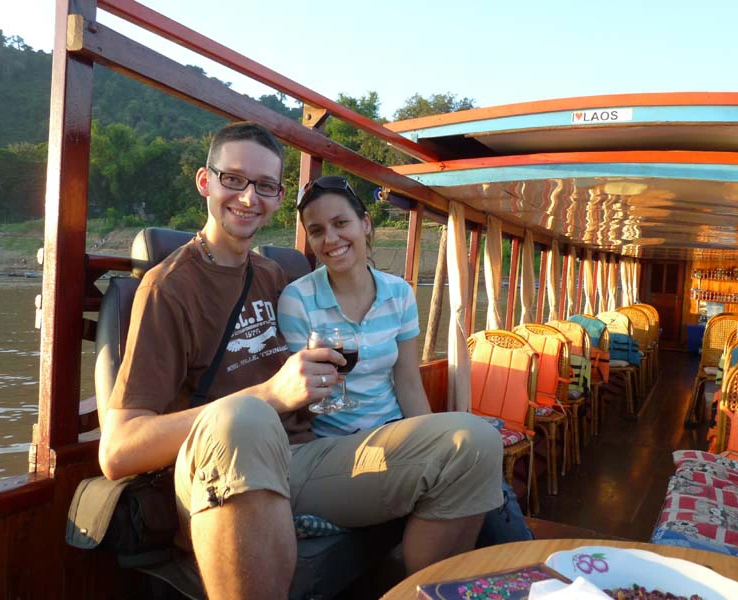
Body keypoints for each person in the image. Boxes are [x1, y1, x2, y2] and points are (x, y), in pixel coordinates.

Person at [98, 121, 504, 600]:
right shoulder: (170, 289)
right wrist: (270, 395)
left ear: (276, 197)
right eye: (234, 179)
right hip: (221, 469)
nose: (249, 198)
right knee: (245, 418)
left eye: (265, 186)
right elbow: (118, 451)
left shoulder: (275, 278)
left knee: (473, 439)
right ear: (205, 182)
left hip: (302, 461)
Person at [277, 175, 533, 546]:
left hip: (395, 430)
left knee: (475, 463)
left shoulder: (399, 294)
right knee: (474, 461)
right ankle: (521, 567)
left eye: (340, 223)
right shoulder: (298, 299)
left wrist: (434, 439)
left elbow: (409, 384)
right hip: (334, 444)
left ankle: (515, 565)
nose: (330, 239)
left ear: (365, 223)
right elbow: (303, 393)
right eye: (317, 231)